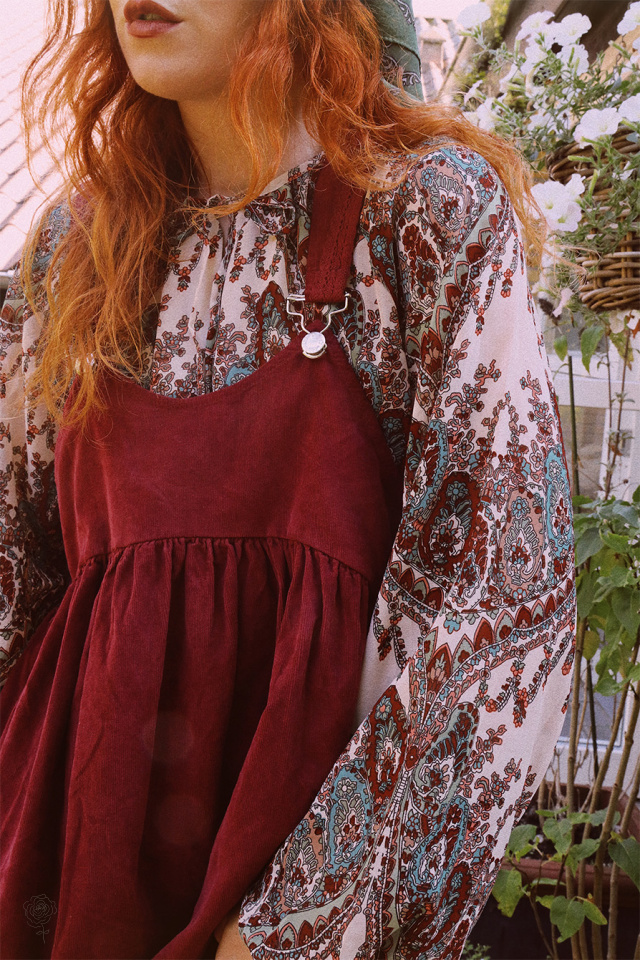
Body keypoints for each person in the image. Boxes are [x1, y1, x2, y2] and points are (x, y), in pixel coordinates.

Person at [0, 1, 576, 958]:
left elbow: (499, 615)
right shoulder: (73, 250)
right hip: (67, 882)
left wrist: (294, 932)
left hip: (291, 912)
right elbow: (17, 587)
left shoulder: (421, 214)